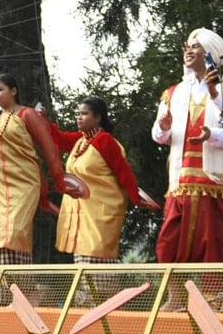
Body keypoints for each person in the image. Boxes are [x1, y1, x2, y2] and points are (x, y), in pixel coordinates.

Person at [0, 74, 84, 264]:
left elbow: (49, 148)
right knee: (2, 238)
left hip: (25, 183)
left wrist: (59, 179)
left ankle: (17, 283)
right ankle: (16, 286)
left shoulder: (27, 114)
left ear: (14, 91)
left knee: (13, 232)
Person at [151, 29, 223, 263]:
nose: (188, 50)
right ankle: (175, 297)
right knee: (168, 246)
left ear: (209, 53)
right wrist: (163, 127)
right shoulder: (174, 93)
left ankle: (214, 297)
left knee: (213, 246)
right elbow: (158, 136)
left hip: (212, 184)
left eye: (195, 46)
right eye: (187, 46)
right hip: (179, 183)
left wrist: (211, 135)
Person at [53, 96, 153, 262]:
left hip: (101, 214)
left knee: (96, 260)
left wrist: (136, 198)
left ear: (98, 117)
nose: (79, 117)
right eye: (78, 113)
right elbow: (58, 139)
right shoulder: (81, 140)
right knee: (82, 265)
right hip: (83, 215)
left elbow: (124, 173)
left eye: (84, 113)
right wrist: (40, 120)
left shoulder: (104, 140)